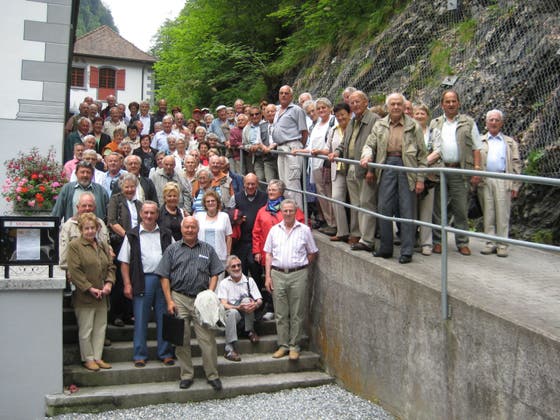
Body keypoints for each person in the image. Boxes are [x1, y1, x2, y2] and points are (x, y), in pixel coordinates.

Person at [156, 216, 224, 391]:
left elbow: (215, 272)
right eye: (186, 227)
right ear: (182, 228)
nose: (189, 230)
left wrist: (210, 293)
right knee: (181, 340)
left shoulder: (208, 249)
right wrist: (169, 301)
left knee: (207, 339)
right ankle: (186, 375)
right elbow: (164, 276)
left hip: (202, 300)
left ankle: (213, 375)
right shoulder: (172, 249)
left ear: (197, 229)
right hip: (179, 298)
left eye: (193, 227)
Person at [360, 93, 427, 264]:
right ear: (387, 107)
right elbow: (369, 144)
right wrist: (367, 156)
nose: (396, 107)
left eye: (399, 104)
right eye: (393, 104)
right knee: (384, 207)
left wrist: (420, 178)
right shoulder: (380, 125)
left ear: (404, 106)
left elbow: (422, 155)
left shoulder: (413, 126)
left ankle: (406, 251)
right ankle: (385, 248)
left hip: (407, 167)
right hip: (386, 165)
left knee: (407, 209)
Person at [118, 201, 175, 367]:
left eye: (152, 213)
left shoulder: (166, 233)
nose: (149, 216)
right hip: (142, 280)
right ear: (141, 214)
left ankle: (165, 353)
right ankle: (140, 354)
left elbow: (174, 257)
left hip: (163, 281)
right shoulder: (132, 235)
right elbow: (124, 263)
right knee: (141, 319)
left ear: (157, 215)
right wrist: (127, 284)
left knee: (164, 317)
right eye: (146, 213)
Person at [430, 90, 482, 256]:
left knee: (460, 208)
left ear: (458, 103)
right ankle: (437, 241)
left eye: (453, 101)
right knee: (438, 208)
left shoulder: (468, 122)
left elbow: (476, 147)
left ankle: (462, 242)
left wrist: (477, 169)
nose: (451, 104)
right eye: (447, 101)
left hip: (460, 170)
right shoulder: (435, 123)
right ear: (442, 104)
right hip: (440, 170)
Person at [264, 199, 318, 361]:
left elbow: (312, 252)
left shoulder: (304, 230)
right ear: (280, 212)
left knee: (297, 312)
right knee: (281, 313)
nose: (287, 213)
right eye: (285, 211)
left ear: (296, 212)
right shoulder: (274, 230)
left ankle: (295, 345)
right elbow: (268, 254)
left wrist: (300, 265)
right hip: (278, 274)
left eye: (291, 211)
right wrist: (268, 276)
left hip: (298, 274)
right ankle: (283, 345)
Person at [329, 90, 379, 251]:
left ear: (366, 102)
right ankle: (357, 234)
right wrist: (337, 152)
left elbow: (377, 147)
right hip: (351, 167)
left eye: (358, 101)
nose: (355, 105)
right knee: (356, 204)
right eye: (352, 102)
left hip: (365, 168)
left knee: (366, 204)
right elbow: (345, 143)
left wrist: (371, 169)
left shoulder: (374, 120)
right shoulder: (352, 121)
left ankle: (367, 239)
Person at [67, 212, 115, 371]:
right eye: (86, 228)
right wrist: (90, 288)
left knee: (100, 327)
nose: (89, 231)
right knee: (86, 329)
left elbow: (110, 266)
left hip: (102, 295)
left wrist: (109, 283)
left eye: (92, 228)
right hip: (85, 296)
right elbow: (75, 271)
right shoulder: (75, 246)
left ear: (97, 228)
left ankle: (97, 357)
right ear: (81, 229)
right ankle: (87, 358)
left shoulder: (102, 245)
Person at [479, 109, 522, 257]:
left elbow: (516, 164)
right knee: (488, 212)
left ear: (501, 123)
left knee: (503, 213)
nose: (494, 122)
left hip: (503, 179)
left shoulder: (509, 142)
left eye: (497, 120)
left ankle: (502, 244)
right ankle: (489, 243)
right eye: (491, 120)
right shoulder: (480, 140)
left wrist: (516, 184)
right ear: (486, 123)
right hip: (485, 180)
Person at [107, 173, 142, 327]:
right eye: (126, 186)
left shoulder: (139, 204)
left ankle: (129, 313)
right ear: (122, 187)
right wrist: (127, 235)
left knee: (133, 278)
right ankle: (117, 314)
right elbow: (112, 221)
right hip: (121, 242)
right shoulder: (116, 199)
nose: (129, 189)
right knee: (120, 280)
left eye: (132, 187)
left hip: (136, 244)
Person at [216, 255, 263, 361]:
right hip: (233, 316)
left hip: (247, 314)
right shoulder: (224, 283)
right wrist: (238, 307)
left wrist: (255, 305)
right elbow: (223, 304)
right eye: (233, 266)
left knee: (248, 301)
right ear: (228, 269)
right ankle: (229, 348)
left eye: (239, 265)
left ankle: (250, 331)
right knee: (232, 312)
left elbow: (259, 300)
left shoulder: (249, 281)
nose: (237, 268)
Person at [252, 179, 305, 271]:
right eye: (269, 190)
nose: (270, 192)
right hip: (268, 253)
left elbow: (302, 226)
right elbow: (256, 233)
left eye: (274, 190)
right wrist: (257, 251)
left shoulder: (290, 209)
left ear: (281, 192)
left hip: (288, 253)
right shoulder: (262, 211)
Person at [271, 85, 308, 209]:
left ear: (291, 96)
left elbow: (304, 132)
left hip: (292, 148)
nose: (283, 95)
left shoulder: (296, 110)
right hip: (280, 149)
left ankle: (299, 217)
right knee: (283, 185)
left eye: (286, 93)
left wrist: (297, 147)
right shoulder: (277, 111)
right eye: (281, 93)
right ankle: (289, 215)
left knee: (293, 186)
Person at [413, 103, 442, 256]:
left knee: (426, 210)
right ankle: (413, 239)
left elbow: (438, 151)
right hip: (411, 175)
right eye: (416, 113)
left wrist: (422, 164)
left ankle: (426, 243)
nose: (419, 116)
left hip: (428, 176)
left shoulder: (434, 132)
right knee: (411, 209)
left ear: (427, 116)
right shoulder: (409, 131)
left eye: (422, 114)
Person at [194, 190, 232, 267]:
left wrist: (228, 255)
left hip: (220, 257)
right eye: (208, 201)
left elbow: (229, 237)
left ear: (217, 202)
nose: (210, 203)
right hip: (202, 256)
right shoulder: (198, 216)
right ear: (204, 204)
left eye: (213, 201)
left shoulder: (224, 216)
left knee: (219, 279)